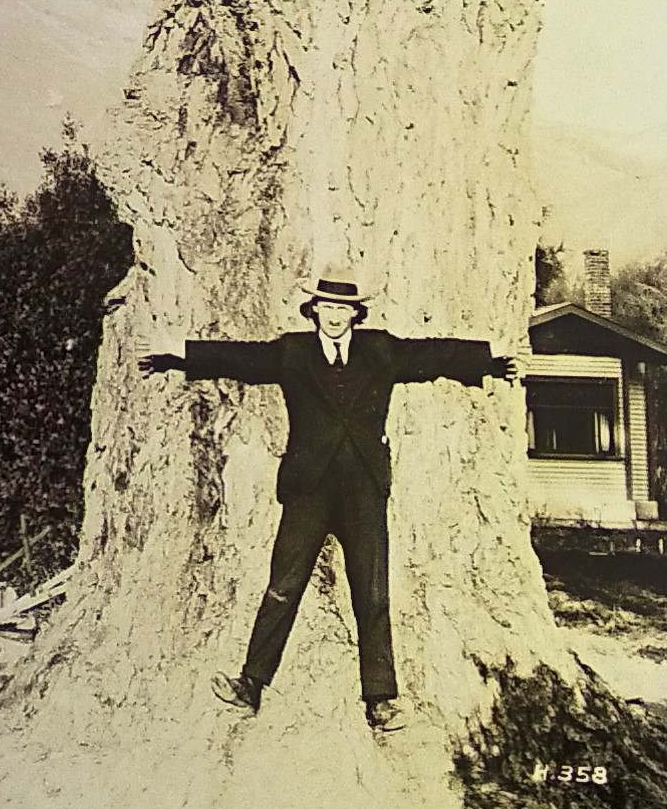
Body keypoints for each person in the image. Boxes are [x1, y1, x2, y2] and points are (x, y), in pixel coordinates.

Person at [139, 273, 518, 731]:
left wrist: (489, 359)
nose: (335, 316)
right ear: (314, 311)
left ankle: (381, 700)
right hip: (309, 490)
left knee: (372, 593)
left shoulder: (379, 350)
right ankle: (250, 685)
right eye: (327, 308)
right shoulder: (293, 352)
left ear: (356, 314)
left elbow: (432, 355)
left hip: (364, 489)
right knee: (283, 585)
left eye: (343, 309)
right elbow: (242, 358)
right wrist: (177, 355)